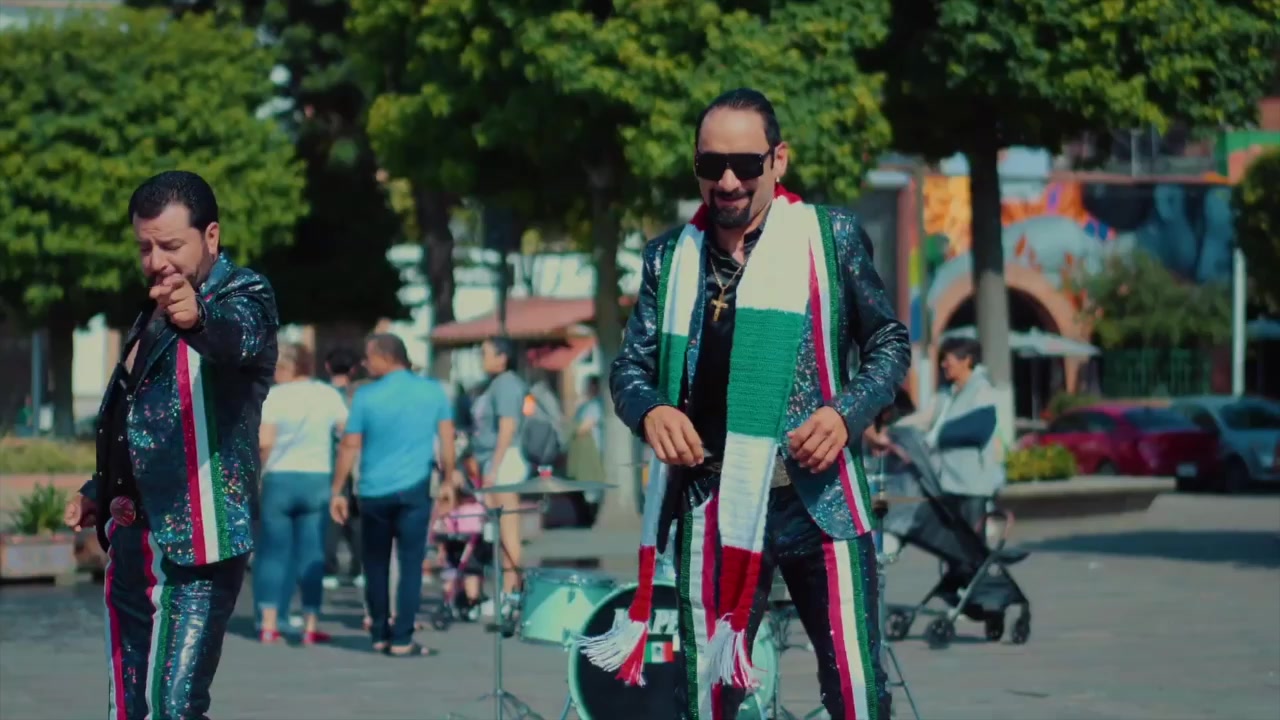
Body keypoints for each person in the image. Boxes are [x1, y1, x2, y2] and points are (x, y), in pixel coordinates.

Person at [582, 89, 910, 720]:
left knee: (858, 693)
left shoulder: (830, 238)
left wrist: (845, 413)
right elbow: (629, 368)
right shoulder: (668, 259)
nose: (728, 181)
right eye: (712, 165)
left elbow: (889, 343)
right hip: (713, 499)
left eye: (746, 164)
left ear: (778, 160)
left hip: (819, 499)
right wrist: (649, 409)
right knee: (707, 697)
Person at [63, 170, 278, 719]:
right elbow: (143, 414)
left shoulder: (244, 295)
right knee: (127, 707)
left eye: (171, 246)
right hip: (131, 540)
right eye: (145, 247)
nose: (156, 261)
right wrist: (100, 486)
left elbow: (237, 338)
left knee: (174, 708)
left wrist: (198, 317)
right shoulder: (151, 313)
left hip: (197, 545)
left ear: (211, 236)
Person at [329, 333, 455, 657]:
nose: (365, 363)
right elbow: (446, 439)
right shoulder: (433, 391)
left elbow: (350, 444)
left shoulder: (366, 397)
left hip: (374, 491)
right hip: (414, 489)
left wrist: (338, 490)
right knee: (411, 565)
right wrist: (448, 481)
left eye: (369, 357)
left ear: (386, 357)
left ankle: (379, 633)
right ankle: (402, 638)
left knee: (375, 564)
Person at [254, 342, 349, 645]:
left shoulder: (275, 397)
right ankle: (310, 624)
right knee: (312, 553)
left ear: (287, 367)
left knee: (273, 552)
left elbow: (265, 443)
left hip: (279, 479)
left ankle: (269, 624)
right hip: (317, 477)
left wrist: (256, 476)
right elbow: (347, 434)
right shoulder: (327, 395)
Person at [454, 336, 529, 603]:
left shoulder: (507, 384)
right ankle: (507, 590)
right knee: (498, 530)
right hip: (492, 459)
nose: (481, 359)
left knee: (508, 530)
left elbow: (508, 427)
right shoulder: (493, 385)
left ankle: (511, 591)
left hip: (504, 459)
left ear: (502, 357)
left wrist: (494, 468)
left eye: (485, 353)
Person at [322, 347, 365, 588]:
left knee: (331, 516)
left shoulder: (321, 395)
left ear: (327, 367)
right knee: (356, 517)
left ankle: (329, 569)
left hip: (327, 462)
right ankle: (359, 568)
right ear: (354, 369)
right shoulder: (359, 397)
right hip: (357, 462)